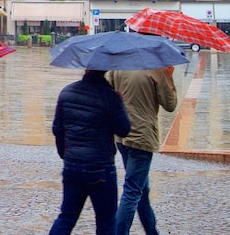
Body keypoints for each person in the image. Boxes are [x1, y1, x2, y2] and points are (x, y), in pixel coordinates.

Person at [49, 69, 131, 235]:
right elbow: (123, 130)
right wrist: (120, 104)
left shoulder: (66, 92)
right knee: (106, 222)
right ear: (105, 70)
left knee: (66, 217)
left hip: (72, 164)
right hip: (100, 167)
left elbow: (58, 129)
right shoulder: (110, 96)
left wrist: (67, 156)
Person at [107, 67, 178, 235]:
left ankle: (151, 231)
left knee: (141, 190)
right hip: (142, 138)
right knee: (132, 191)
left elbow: (108, 93)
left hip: (122, 136)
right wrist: (169, 77)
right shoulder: (155, 69)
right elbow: (170, 104)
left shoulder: (119, 65)